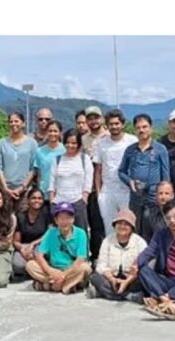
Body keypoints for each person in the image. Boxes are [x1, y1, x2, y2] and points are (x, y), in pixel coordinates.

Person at [119, 113, 170, 242]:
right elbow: (121, 171)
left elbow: (166, 176)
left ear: (151, 128)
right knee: (135, 232)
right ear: (134, 130)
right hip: (136, 198)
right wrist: (129, 181)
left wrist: (165, 197)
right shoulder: (130, 150)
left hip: (154, 199)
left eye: (145, 127)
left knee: (156, 232)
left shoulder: (160, 149)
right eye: (138, 128)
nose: (141, 130)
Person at [25, 202, 91, 294]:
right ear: (56, 220)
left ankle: (50, 285)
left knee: (85, 268)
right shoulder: (51, 232)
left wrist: (63, 275)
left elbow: (80, 259)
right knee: (30, 265)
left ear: (73, 219)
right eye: (61, 218)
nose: (64, 222)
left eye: (67, 218)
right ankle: (67, 285)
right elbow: (39, 255)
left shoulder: (81, 233)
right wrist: (51, 271)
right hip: (54, 269)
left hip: (71, 269)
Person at [86, 209, 146, 303]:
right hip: (111, 278)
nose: (122, 226)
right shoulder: (107, 241)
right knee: (95, 277)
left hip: (131, 279)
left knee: (144, 279)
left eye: (126, 224)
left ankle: (102, 293)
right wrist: (111, 279)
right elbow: (101, 264)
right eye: (119, 223)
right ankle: (128, 296)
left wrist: (127, 281)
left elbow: (141, 266)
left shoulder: (140, 242)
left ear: (132, 227)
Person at [94, 109, 138, 236]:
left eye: (117, 123)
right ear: (107, 125)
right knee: (109, 227)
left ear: (122, 124)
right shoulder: (101, 143)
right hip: (107, 191)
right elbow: (98, 170)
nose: (114, 126)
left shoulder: (132, 141)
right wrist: (99, 193)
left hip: (127, 190)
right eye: (111, 124)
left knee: (128, 224)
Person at [48, 129, 93, 231]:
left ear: (78, 144)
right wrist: (52, 201)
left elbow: (88, 181)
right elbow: (52, 182)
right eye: (67, 142)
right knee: (59, 233)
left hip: (77, 202)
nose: (70, 145)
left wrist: (84, 198)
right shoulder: (57, 159)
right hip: (59, 202)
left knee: (80, 233)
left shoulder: (84, 159)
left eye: (73, 143)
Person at [0, 112, 37, 212]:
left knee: (23, 218)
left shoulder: (32, 143)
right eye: (11, 121)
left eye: (16, 121)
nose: (13, 124)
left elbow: (33, 168)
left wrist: (22, 188)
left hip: (25, 190)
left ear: (23, 123)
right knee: (5, 218)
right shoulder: (2, 143)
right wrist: (5, 188)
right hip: (6, 189)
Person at [81, 105, 109, 261]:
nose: (93, 121)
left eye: (96, 118)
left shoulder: (109, 136)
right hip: (89, 188)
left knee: (105, 224)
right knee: (92, 224)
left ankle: (105, 257)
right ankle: (93, 256)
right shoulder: (83, 139)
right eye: (90, 119)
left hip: (108, 187)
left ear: (102, 119)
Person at [12, 188, 51, 277]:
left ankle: (37, 272)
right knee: (18, 265)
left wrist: (33, 244)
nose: (37, 201)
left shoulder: (46, 213)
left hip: (41, 244)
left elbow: (49, 234)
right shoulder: (20, 216)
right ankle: (33, 271)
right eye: (33, 198)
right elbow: (16, 241)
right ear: (28, 200)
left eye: (39, 198)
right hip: (25, 245)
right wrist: (23, 250)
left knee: (38, 256)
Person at [33, 120, 65, 201]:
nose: (52, 133)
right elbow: (39, 173)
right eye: (50, 131)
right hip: (44, 193)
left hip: (61, 193)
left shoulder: (65, 151)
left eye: (55, 131)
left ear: (60, 133)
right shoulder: (39, 151)